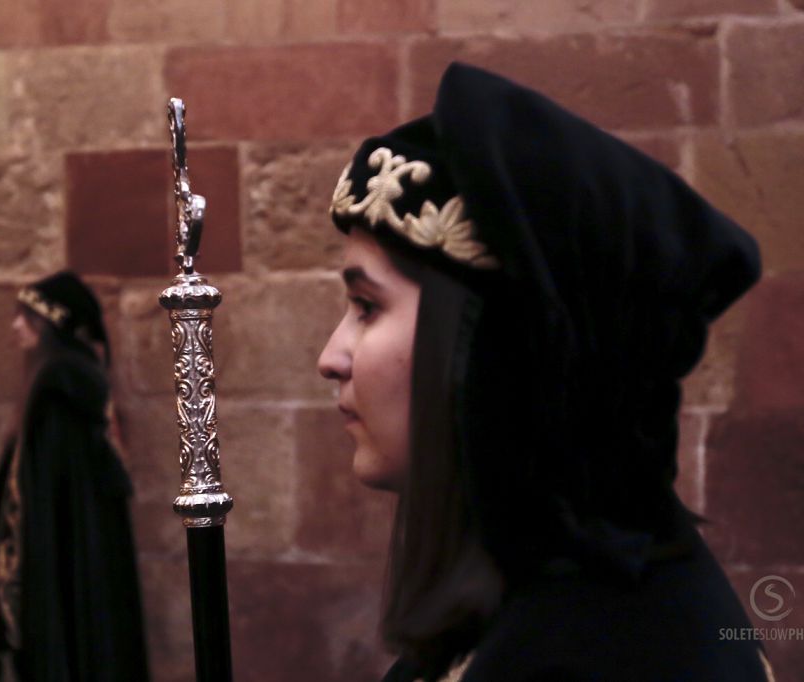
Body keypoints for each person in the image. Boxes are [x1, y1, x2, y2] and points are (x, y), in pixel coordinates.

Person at [318, 63, 775, 682]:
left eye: (368, 307)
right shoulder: (516, 602)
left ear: (494, 354)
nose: (331, 357)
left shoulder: (614, 653)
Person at [0, 271, 150, 682]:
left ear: (50, 325)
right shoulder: (53, 389)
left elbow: (57, 496)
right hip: (55, 549)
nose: (15, 326)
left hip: (63, 557)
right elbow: (28, 484)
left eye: (27, 317)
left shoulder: (61, 392)